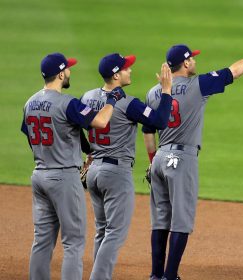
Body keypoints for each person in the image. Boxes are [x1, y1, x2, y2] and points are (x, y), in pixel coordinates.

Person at [142, 28, 243, 280]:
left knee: (160, 220)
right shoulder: (198, 84)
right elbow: (236, 70)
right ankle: (170, 276)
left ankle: (155, 275)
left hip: (160, 159)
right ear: (184, 63)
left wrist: (152, 162)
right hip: (181, 160)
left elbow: (148, 131)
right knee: (181, 222)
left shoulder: (154, 91)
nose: (194, 60)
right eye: (191, 58)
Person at [21, 52, 125, 280]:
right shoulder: (68, 103)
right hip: (64, 178)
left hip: (39, 175)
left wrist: (85, 151)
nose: (69, 71)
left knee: (42, 240)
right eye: (67, 68)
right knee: (74, 242)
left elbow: (31, 137)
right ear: (60, 73)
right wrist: (113, 99)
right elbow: (100, 121)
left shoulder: (29, 103)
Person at [80, 53, 173, 280]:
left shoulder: (87, 97)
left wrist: (87, 152)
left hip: (93, 173)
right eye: (126, 68)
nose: (130, 70)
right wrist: (167, 90)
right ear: (115, 74)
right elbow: (160, 121)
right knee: (115, 233)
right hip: (115, 174)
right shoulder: (128, 103)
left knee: (102, 230)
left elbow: (75, 130)